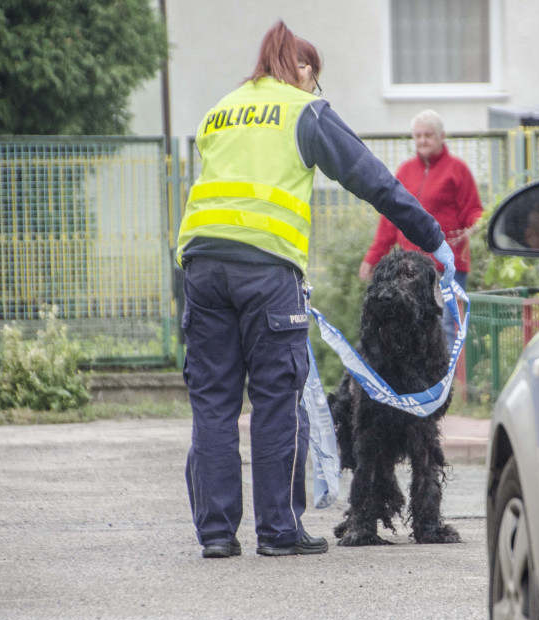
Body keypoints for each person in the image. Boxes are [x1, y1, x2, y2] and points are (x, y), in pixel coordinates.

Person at [176, 21, 455, 559]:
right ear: (299, 70)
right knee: (277, 400)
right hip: (266, 271)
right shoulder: (302, 111)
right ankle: (278, 532)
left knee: (213, 403)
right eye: (314, 78)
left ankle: (215, 533)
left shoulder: (220, 110)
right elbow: (374, 179)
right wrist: (432, 238)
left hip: (202, 268)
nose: (314, 88)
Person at [358, 109, 484, 349]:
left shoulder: (457, 171)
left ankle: (444, 386)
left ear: (441, 136)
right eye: (418, 136)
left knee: (446, 328)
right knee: (410, 328)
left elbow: (475, 212)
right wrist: (372, 257)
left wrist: (473, 229)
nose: (422, 140)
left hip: (446, 269)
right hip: (410, 273)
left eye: (428, 135)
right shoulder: (405, 171)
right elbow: (390, 220)